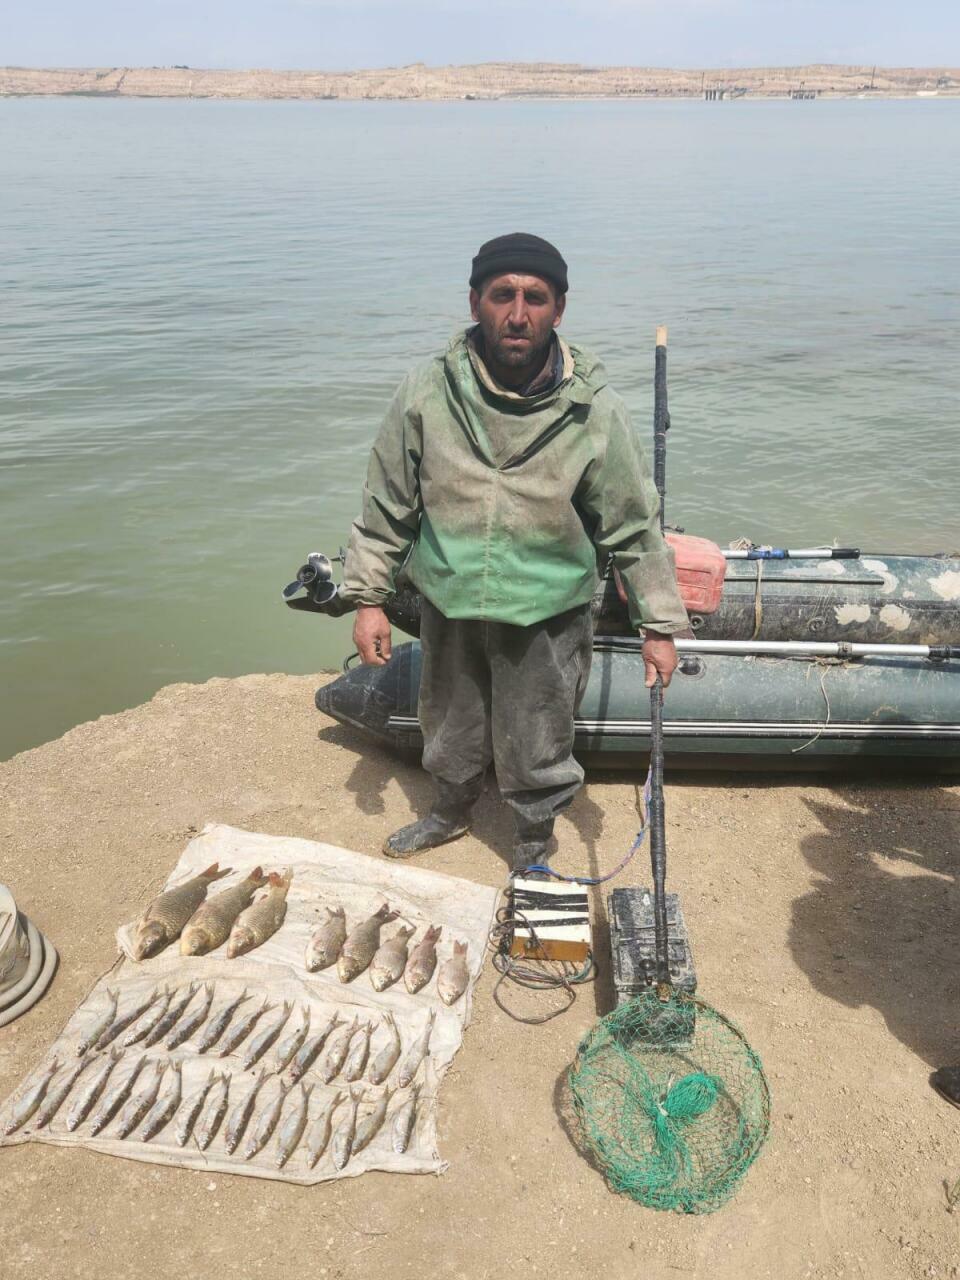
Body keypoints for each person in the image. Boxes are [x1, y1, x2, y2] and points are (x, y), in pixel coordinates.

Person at [340, 232, 689, 872]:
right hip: (451, 598)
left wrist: (659, 625)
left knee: (538, 737)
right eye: (503, 295)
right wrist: (367, 598)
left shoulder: (595, 411)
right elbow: (387, 502)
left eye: (536, 297)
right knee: (449, 724)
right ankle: (450, 811)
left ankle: (532, 837)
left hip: (547, 608)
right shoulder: (426, 392)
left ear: (560, 309)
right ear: (475, 302)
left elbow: (634, 525)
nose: (518, 313)